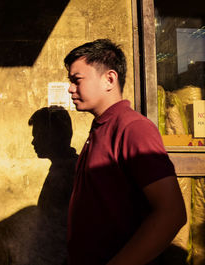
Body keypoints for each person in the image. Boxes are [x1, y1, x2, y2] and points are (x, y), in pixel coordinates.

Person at [64, 39, 186, 265]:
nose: (70, 88)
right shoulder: (102, 127)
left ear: (109, 79)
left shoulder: (133, 128)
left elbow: (171, 213)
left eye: (76, 80)